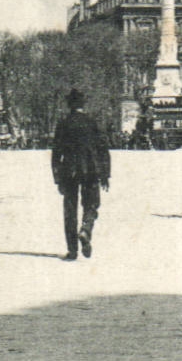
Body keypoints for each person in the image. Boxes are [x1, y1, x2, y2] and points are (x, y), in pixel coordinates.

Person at [51, 89, 110, 260]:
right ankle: (86, 228)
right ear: (83, 104)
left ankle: (72, 250)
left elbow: (56, 153)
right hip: (91, 170)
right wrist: (105, 174)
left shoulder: (63, 123)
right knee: (91, 204)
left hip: (69, 171)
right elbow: (103, 149)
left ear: (69, 105)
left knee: (70, 210)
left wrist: (58, 178)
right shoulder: (92, 123)